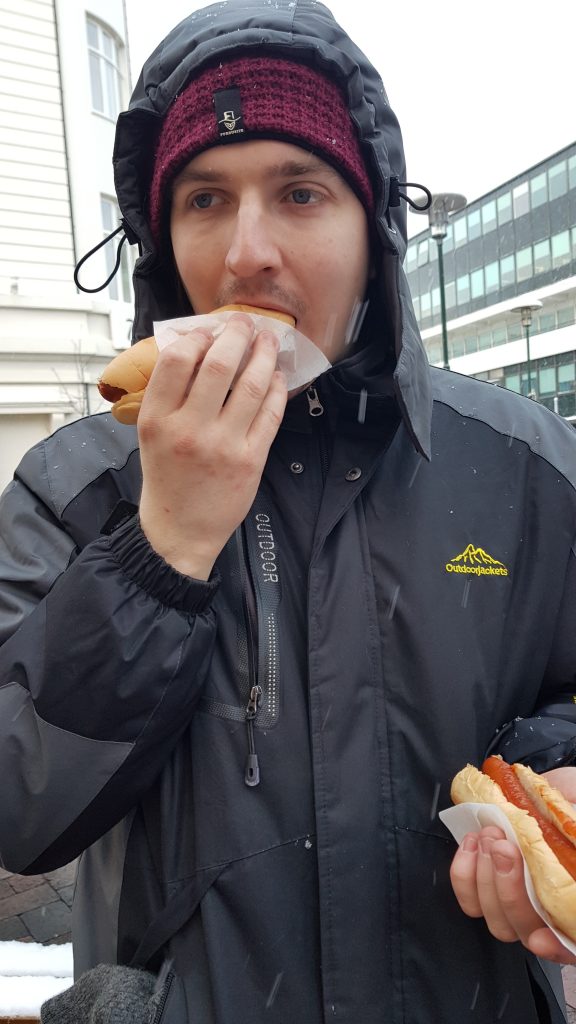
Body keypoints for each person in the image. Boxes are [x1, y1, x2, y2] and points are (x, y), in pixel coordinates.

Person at [1, 1, 576, 1021]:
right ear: (159, 237)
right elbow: (19, 808)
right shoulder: (76, 484)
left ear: (375, 227)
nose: (246, 254)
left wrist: (541, 778)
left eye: (301, 193)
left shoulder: (529, 466)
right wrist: (166, 545)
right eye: (205, 200)